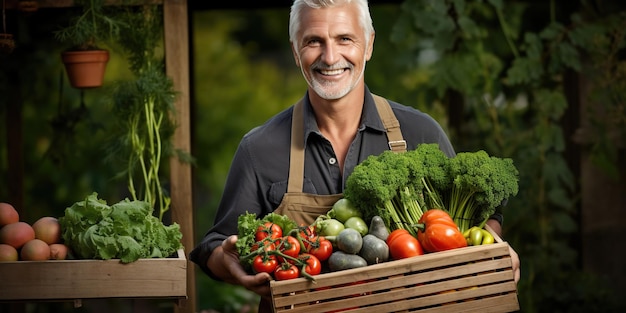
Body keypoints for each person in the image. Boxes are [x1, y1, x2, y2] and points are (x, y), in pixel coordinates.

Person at [190, 0, 521, 311]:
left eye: (344, 38)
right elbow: (215, 247)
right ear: (295, 51)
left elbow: (477, 222)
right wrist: (230, 263)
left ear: (370, 44)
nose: (330, 56)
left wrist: (493, 245)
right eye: (313, 41)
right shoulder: (259, 149)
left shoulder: (421, 133)